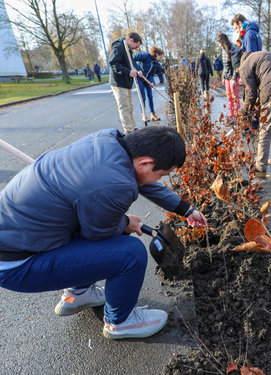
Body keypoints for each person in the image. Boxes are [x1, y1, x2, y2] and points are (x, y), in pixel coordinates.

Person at [0, 126, 207, 340]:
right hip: (18, 264)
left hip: (18, 238)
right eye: (161, 175)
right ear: (145, 163)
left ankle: (79, 294)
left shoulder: (109, 141)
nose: (158, 180)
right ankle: (120, 322)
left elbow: (139, 178)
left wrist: (186, 209)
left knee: (103, 226)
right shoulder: (114, 184)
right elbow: (98, 234)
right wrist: (126, 223)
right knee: (131, 253)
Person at [109, 32, 144, 134]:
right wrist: (128, 72)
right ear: (131, 40)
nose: (136, 48)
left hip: (127, 82)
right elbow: (113, 63)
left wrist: (137, 71)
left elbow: (132, 64)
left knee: (130, 107)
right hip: (119, 82)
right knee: (124, 107)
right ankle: (129, 131)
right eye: (136, 46)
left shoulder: (129, 50)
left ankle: (132, 127)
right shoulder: (119, 47)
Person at [216, 33, 243, 123]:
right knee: (229, 98)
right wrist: (223, 77)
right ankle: (232, 115)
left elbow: (236, 67)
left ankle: (237, 116)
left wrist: (234, 79)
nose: (218, 45)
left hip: (233, 78)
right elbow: (225, 66)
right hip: (227, 77)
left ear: (223, 42)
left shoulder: (233, 50)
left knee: (235, 98)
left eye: (219, 43)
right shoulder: (223, 51)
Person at [133, 46, 164, 122]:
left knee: (150, 95)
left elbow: (151, 74)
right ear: (156, 54)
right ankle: (143, 115)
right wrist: (138, 69)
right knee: (142, 97)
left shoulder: (155, 63)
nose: (161, 58)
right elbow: (133, 59)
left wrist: (152, 82)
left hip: (147, 79)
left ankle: (152, 114)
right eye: (160, 56)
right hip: (140, 78)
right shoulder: (145, 56)